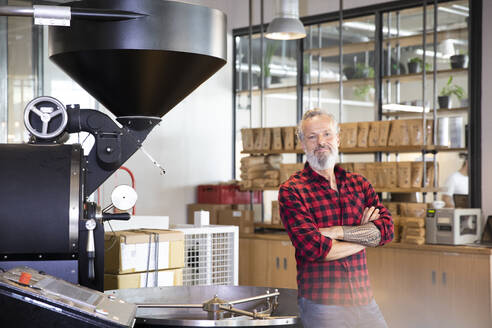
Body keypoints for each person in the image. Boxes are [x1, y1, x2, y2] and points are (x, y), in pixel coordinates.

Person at [278, 109, 394, 328]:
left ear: (338, 139)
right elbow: (315, 249)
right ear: (303, 144)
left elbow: (387, 230)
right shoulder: (292, 190)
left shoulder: (359, 184)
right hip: (322, 305)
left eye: (327, 134)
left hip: (364, 299)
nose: (321, 142)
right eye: (312, 137)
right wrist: (365, 236)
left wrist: (338, 232)